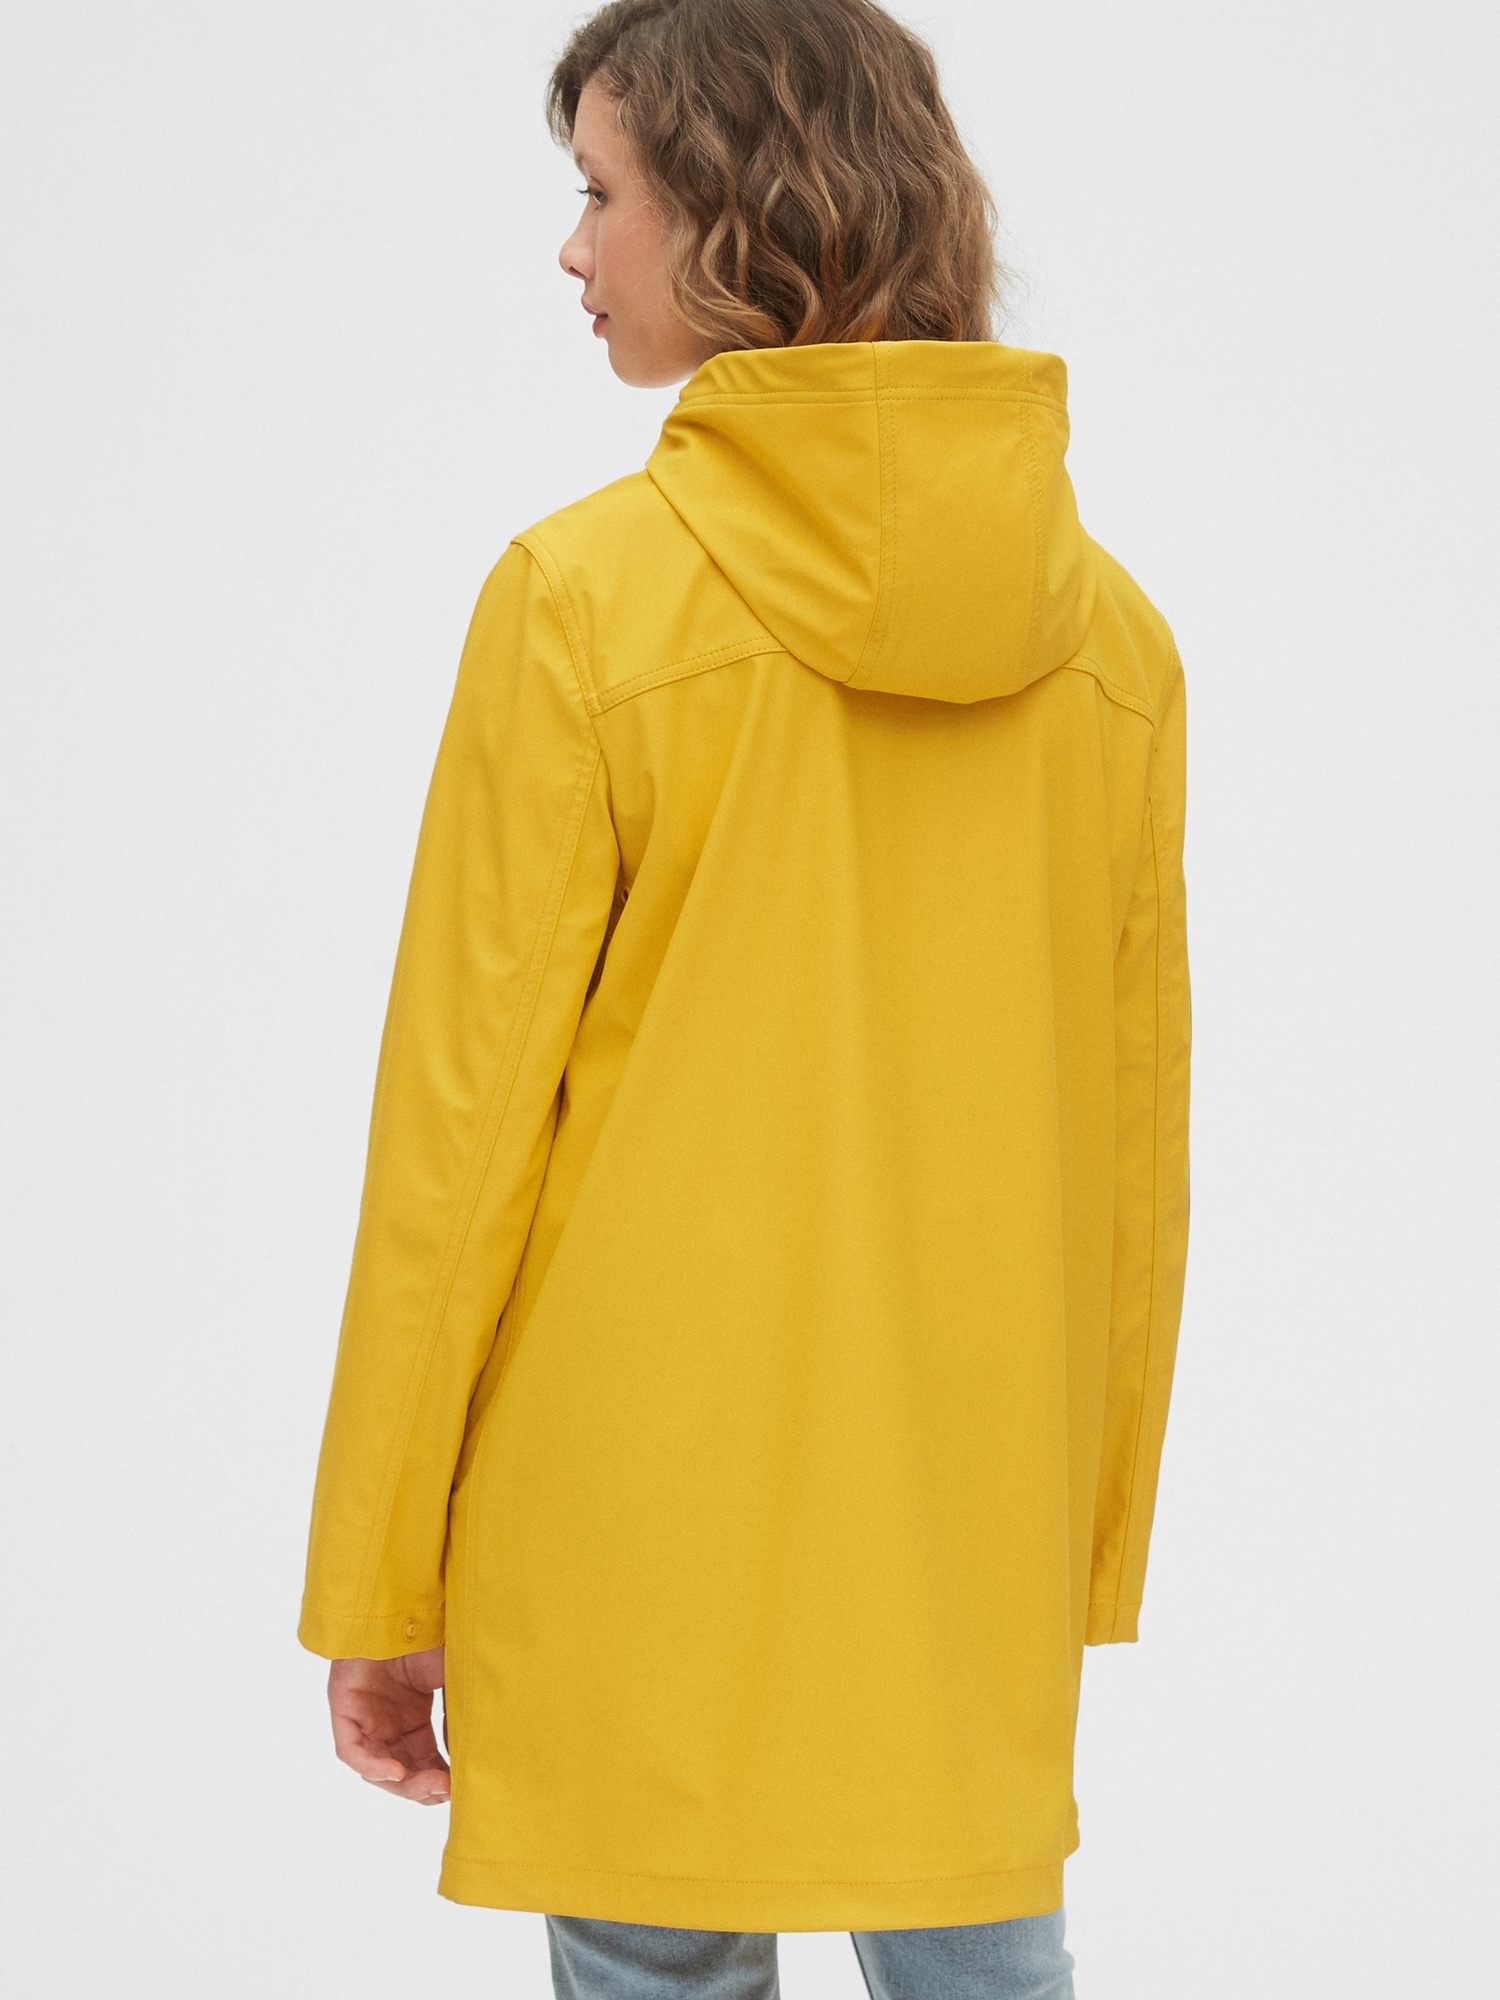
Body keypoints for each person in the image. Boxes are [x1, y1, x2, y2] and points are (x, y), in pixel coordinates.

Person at [298, 2, 1191, 1995]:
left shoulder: (584, 602)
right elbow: (1132, 1149)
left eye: (600, 193)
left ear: (736, 213)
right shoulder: (1115, 647)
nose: (573, 249)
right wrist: (1077, 1535)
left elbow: (461, 1139)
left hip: (627, 1512)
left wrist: (386, 1563)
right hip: (962, 1521)